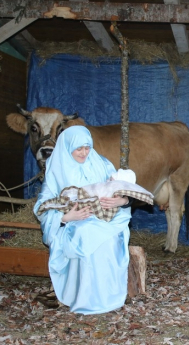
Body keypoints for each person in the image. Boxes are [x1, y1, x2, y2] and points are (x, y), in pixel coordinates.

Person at [33, 125, 133, 314]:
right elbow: (42, 206)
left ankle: (108, 296)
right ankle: (85, 298)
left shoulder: (101, 163)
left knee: (109, 238)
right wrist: (65, 217)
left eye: (87, 147)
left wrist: (121, 200)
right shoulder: (56, 169)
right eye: (79, 148)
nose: (84, 152)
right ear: (68, 146)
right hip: (73, 223)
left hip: (105, 218)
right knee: (84, 234)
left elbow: (122, 189)